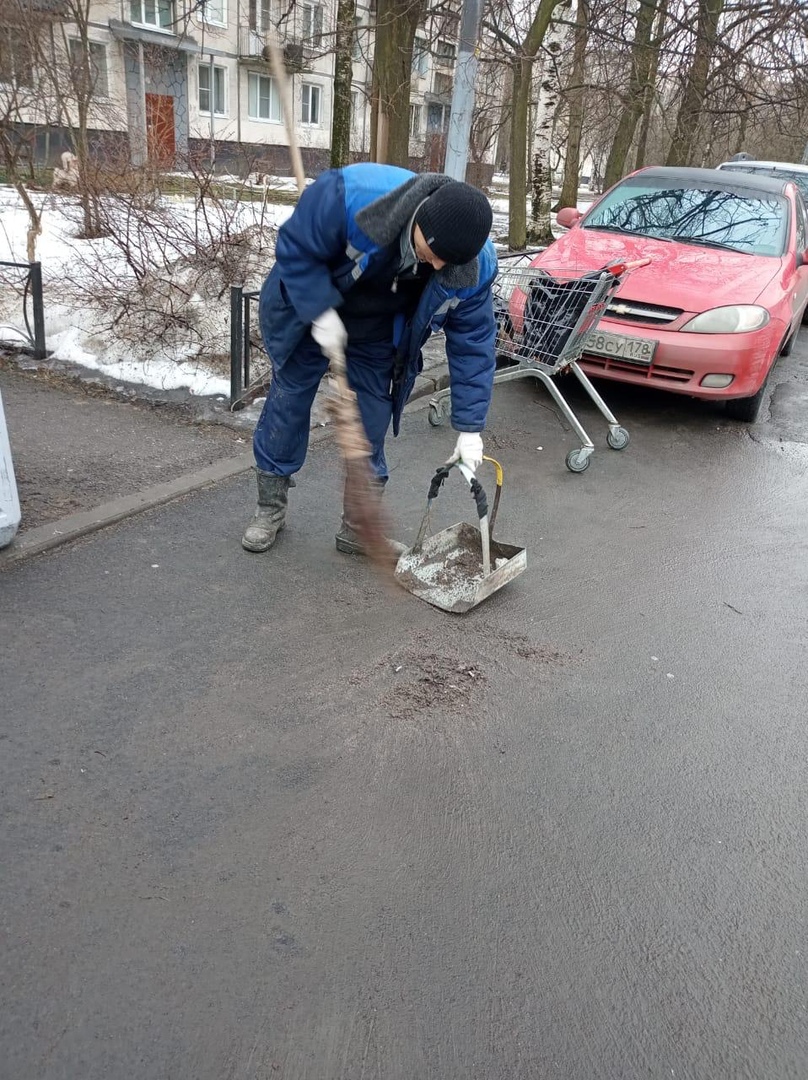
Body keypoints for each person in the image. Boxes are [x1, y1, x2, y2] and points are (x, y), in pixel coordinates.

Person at [242, 162, 498, 555]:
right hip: (311, 306)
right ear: (419, 221)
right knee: (288, 402)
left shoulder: (472, 267)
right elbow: (296, 250)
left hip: (378, 329)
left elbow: (473, 344)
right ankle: (269, 507)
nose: (438, 267)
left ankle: (357, 527)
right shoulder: (351, 197)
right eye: (434, 253)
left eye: (450, 263)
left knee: (372, 419)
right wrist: (318, 310)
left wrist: (469, 428)